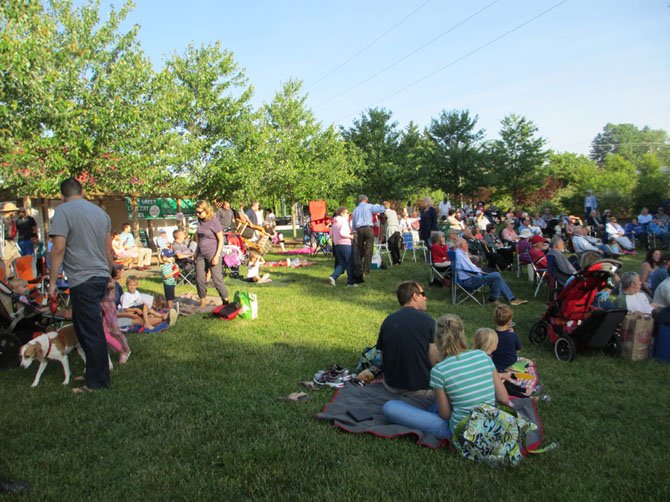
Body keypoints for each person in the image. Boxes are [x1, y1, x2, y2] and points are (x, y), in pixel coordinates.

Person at [383, 314, 511, 440]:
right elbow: (503, 398)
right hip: (489, 425)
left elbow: (445, 415)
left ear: (437, 338)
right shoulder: (482, 356)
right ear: (462, 333)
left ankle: (426, 418)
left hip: (461, 433)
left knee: (390, 407)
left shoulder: (439, 370)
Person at [47, 178, 114, 392]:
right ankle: (94, 370)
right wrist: (110, 274)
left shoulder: (63, 211)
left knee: (90, 330)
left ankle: (97, 382)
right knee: (82, 326)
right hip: (100, 277)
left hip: (82, 279)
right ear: (83, 191)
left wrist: (51, 283)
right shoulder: (101, 213)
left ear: (62, 195)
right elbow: (108, 249)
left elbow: (58, 249)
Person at [376, 281, 439, 397]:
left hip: (390, 386)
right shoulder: (430, 322)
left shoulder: (388, 321)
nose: (425, 298)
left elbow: (382, 356)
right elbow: (434, 361)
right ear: (415, 296)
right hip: (420, 389)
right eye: (423, 294)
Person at [453, 239, 527, 305]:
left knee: (494, 275)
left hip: (471, 277)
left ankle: (504, 298)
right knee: (495, 275)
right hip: (468, 281)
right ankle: (495, 299)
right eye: (466, 243)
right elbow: (468, 268)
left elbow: (469, 267)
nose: (467, 245)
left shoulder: (462, 253)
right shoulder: (459, 255)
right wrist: (481, 272)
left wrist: (480, 271)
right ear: (461, 245)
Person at [194, 200, 229, 308]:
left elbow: (221, 240)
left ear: (206, 210)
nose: (198, 214)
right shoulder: (200, 221)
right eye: (196, 212)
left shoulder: (214, 221)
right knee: (199, 278)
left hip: (212, 252)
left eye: (199, 212)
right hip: (201, 253)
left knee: (217, 279)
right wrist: (195, 252)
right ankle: (203, 301)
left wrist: (217, 256)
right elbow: (199, 238)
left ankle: (226, 300)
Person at [101, 267, 131, 364]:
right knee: (103, 332)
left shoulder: (110, 280)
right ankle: (120, 350)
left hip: (108, 307)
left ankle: (125, 350)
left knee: (114, 330)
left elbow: (110, 286)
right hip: (98, 306)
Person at [352, 195, 385, 274]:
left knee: (359, 248)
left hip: (359, 229)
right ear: (366, 200)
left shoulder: (355, 209)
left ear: (359, 200)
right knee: (369, 248)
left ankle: (358, 267)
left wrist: (354, 230)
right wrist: (379, 205)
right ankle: (366, 269)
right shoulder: (369, 206)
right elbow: (381, 209)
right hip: (368, 228)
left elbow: (353, 222)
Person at [328, 207, 355, 287]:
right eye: (347, 213)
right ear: (342, 213)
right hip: (345, 244)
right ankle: (350, 282)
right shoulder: (343, 222)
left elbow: (330, 234)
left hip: (337, 245)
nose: (348, 215)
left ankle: (333, 277)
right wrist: (351, 236)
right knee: (349, 263)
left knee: (342, 263)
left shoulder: (335, 222)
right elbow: (342, 233)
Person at [0, 202, 21, 273]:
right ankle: (8, 277)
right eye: (13, 211)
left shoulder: (11, 220)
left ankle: (17, 276)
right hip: (5, 242)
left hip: (12, 242)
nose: (15, 213)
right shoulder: (2, 220)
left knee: (17, 258)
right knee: (7, 261)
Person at [383, 201, 402, 266]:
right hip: (397, 230)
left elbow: (383, 222)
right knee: (396, 246)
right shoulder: (394, 212)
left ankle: (395, 261)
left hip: (391, 230)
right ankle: (399, 259)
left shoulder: (385, 213)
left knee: (391, 246)